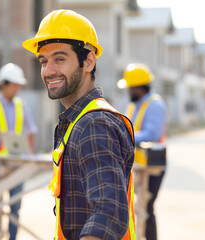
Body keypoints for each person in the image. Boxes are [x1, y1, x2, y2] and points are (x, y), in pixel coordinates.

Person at [22, 9, 136, 240]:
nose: (48, 70)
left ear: (88, 61)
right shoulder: (78, 121)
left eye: (60, 59)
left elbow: (109, 211)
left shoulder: (94, 124)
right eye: (44, 61)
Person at [0, 63, 37, 240]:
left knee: (15, 208)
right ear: (3, 84)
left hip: (18, 164)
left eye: (18, 85)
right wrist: (9, 137)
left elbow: (31, 130)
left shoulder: (22, 105)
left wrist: (28, 153)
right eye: (14, 85)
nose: (17, 89)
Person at [117, 63, 167, 240]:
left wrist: (125, 136)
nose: (128, 91)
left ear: (139, 87)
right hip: (136, 164)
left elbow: (153, 133)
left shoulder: (155, 105)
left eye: (130, 88)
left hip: (152, 164)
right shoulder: (134, 105)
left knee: (147, 207)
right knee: (134, 207)